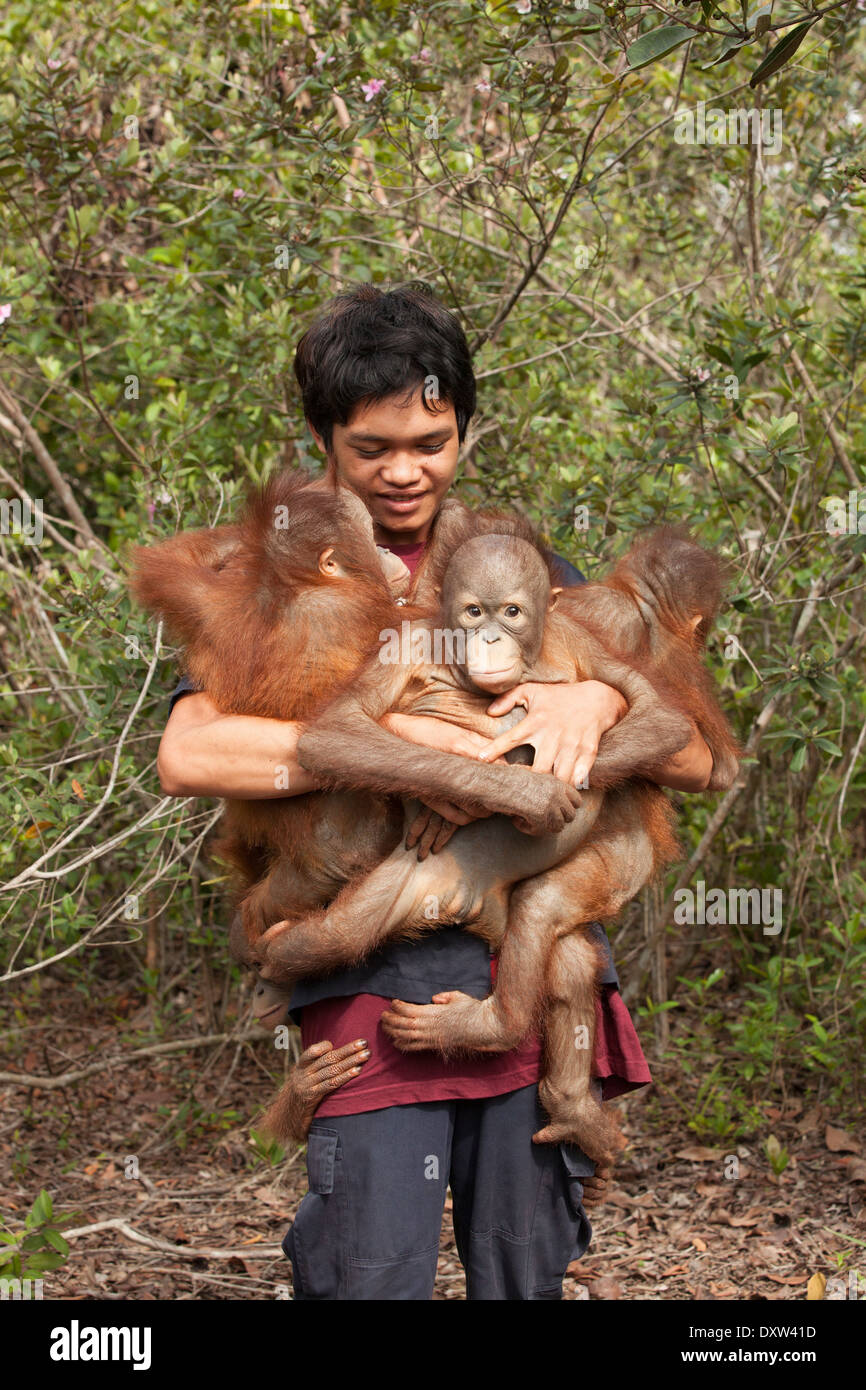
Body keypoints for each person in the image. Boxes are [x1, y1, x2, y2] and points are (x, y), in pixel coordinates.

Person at [157, 283, 714, 1301]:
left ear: (463, 427)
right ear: (323, 437)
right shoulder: (286, 569)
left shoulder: (517, 564)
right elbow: (191, 754)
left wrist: (588, 704)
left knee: (523, 1263)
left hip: (519, 965)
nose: (404, 471)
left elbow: (689, 758)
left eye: (432, 439)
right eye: (373, 448)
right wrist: (397, 743)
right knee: (370, 1265)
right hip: (369, 979)